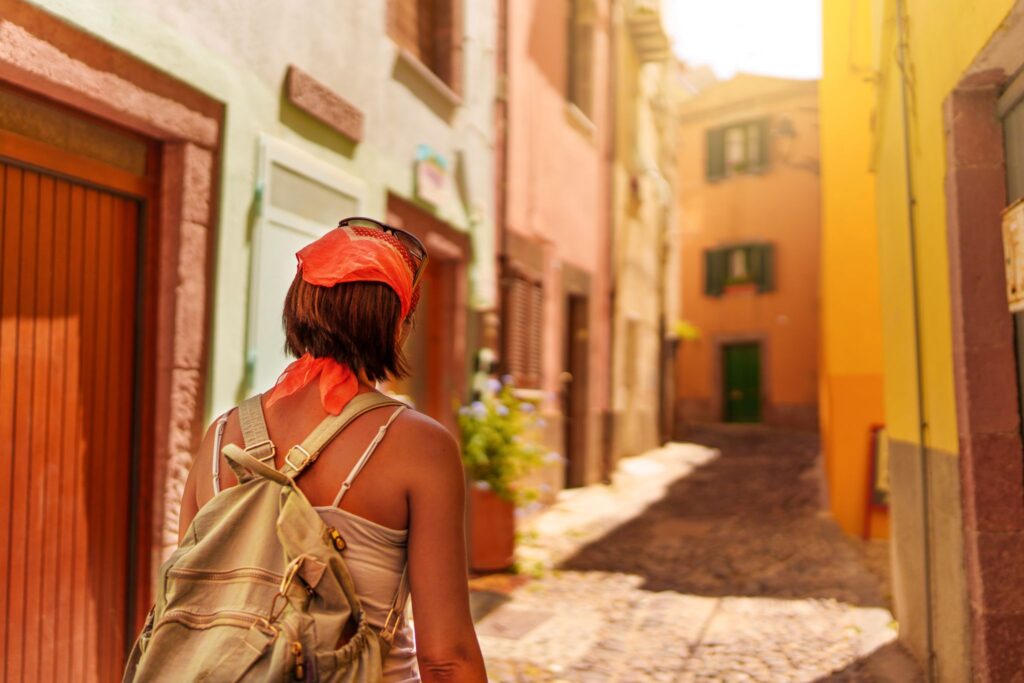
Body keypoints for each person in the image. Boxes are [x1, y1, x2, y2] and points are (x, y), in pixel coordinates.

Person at [177, 217, 487, 682]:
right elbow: (445, 657)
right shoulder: (419, 445)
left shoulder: (221, 436)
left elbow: (184, 601)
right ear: (397, 326)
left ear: (298, 308)